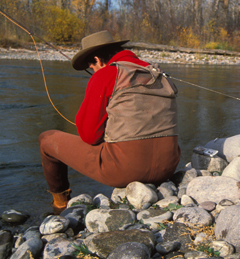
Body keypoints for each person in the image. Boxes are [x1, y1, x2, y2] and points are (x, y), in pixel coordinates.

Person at [38, 30, 180, 213]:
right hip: (168, 166)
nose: (92, 70)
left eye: (91, 66)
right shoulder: (158, 73)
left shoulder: (104, 76)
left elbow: (90, 137)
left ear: (97, 60)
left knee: (46, 140)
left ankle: (60, 205)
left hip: (125, 170)